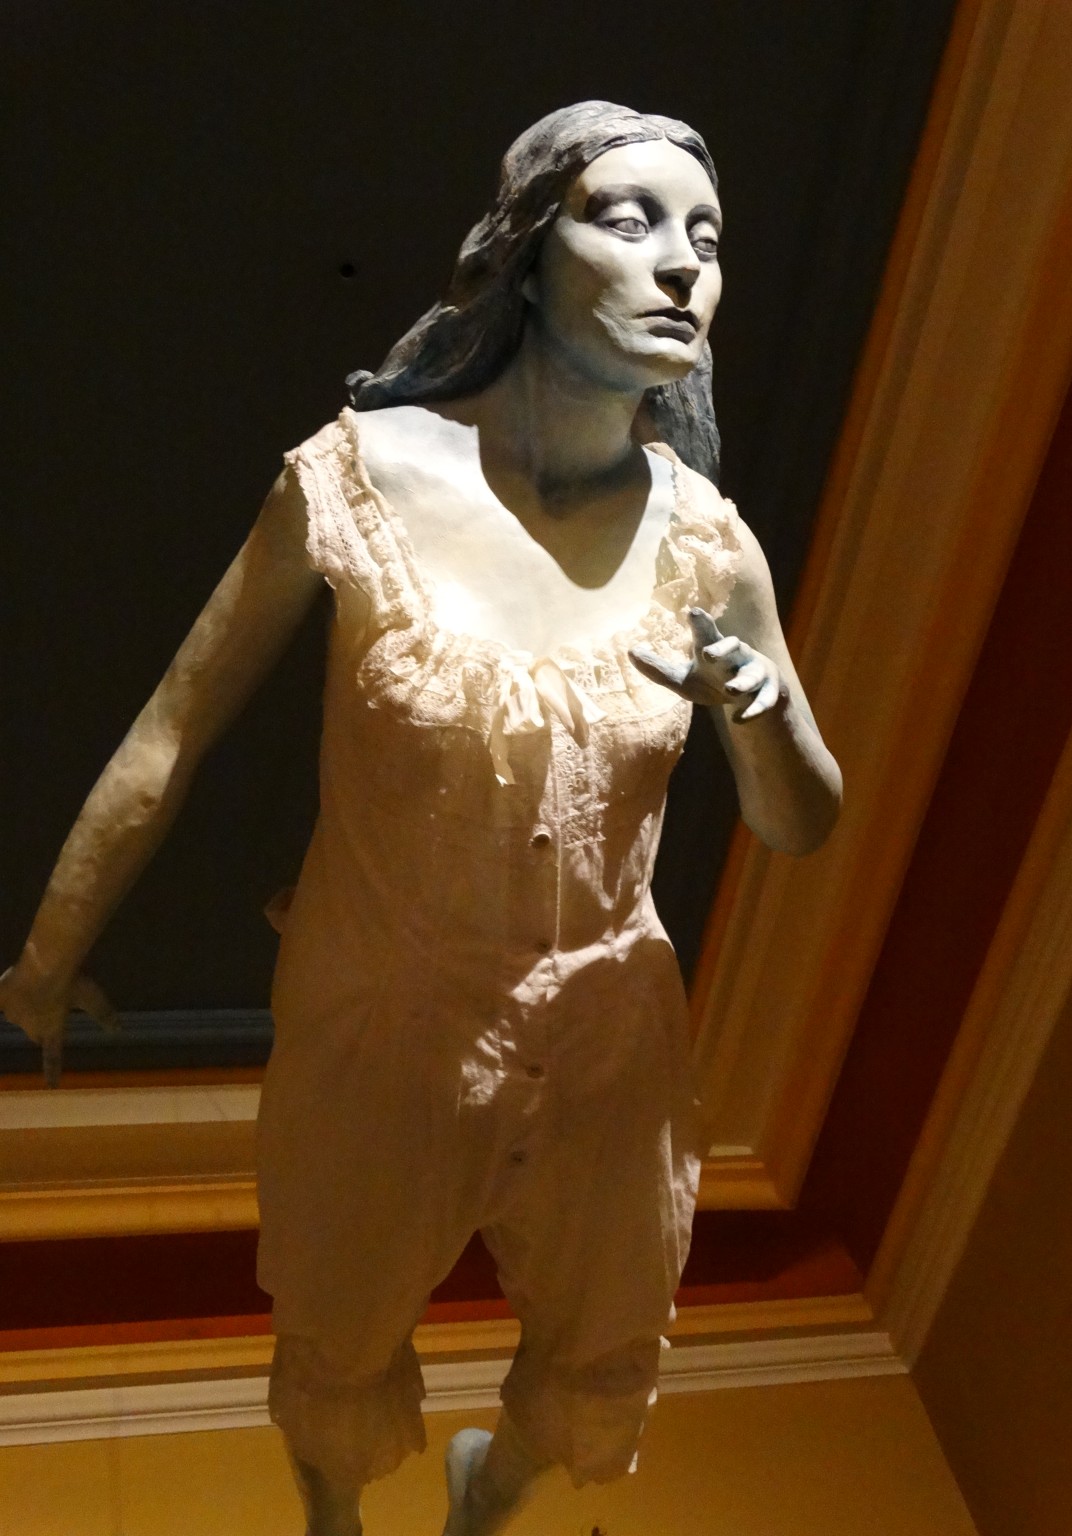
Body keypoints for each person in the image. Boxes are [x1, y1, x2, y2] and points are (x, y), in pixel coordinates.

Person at [0, 102, 841, 1535]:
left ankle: (481, 1506)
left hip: (612, 1039)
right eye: (627, 220)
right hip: (381, 1023)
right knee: (337, 1332)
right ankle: (333, 1520)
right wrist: (44, 960)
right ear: (527, 252)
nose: (681, 265)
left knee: (600, 1350)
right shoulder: (360, 476)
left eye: (707, 238)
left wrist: (760, 711)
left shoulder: (709, 543)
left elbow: (801, 823)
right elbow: (172, 731)